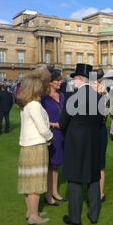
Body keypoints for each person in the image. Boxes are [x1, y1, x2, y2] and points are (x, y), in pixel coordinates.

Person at [59, 63, 102, 225]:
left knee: (75, 179)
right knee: (93, 177)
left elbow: (63, 123)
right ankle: (94, 215)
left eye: (75, 78)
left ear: (79, 79)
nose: (73, 81)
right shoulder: (98, 97)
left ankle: (75, 218)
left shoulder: (72, 97)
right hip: (93, 140)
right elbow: (100, 121)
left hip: (76, 141)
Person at [17, 74, 53, 225]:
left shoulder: (26, 105)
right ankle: (33, 215)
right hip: (36, 146)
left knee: (28, 181)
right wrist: (51, 136)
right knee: (35, 182)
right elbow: (42, 128)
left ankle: (31, 211)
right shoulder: (35, 106)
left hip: (26, 146)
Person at [41, 70, 65, 206]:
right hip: (50, 133)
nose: (60, 82)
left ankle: (55, 191)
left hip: (61, 133)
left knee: (56, 166)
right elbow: (40, 118)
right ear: (50, 82)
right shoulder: (43, 98)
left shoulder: (61, 96)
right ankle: (47, 194)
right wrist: (53, 124)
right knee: (49, 165)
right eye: (57, 80)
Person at [92, 69, 109, 203]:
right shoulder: (87, 92)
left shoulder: (104, 93)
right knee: (93, 162)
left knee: (100, 164)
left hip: (99, 129)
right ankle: (95, 191)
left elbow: (105, 113)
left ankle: (100, 192)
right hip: (90, 130)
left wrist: (103, 96)